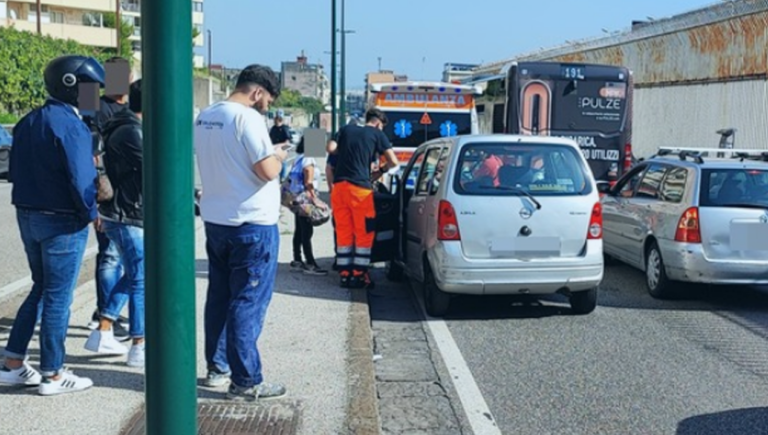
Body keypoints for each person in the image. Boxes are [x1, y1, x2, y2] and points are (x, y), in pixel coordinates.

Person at [0, 55, 105, 396]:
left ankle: (13, 362)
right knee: (59, 297)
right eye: (92, 88)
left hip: (28, 213)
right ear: (72, 85)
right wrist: (92, 213)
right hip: (62, 219)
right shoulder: (72, 125)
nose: (95, 96)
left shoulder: (29, 120)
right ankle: (54, 374)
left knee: (40, 288)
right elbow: (81, 179)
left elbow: (14, 170)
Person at [194, 64, 288, 401]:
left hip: (218, 220)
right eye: (267, 100)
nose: (266, 106)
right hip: (252, 223)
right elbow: (265, 171)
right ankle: (246, 380)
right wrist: (278, 156)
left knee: (219, 297)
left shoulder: (205, 116)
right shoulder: (247, 118)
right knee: (247, 301)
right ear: (258, 92)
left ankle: (217, 368)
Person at [84, 79, 146, 367]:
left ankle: (104, 327)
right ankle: (139, 343)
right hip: (127, 214)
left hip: (117, 211)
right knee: (139, 278)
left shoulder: (115, 122)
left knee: (133, 273)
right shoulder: (132, 131)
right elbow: (154, 169)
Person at [86, 56, 132, 341]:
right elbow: (90, 155)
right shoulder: (92, 104)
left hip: (129, 194)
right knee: (111, 256)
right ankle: (106, 313)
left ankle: (105, 311)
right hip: (108, 195)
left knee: (119, 257)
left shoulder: (131, 107)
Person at [329, 108, 399, 289]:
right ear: (378, 123)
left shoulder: (346, 129)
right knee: (363, 232)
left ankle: (344, 275)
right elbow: (394, 162)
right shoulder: (377, 134)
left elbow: (330, 148)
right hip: (360, 190)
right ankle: (359, 276)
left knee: (344, 232)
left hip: (339, 188)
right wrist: (381, 171)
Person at [287, 138, 328, 276]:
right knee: (307, 231)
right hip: (305, 199)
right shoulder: (309, 160)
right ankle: (310, 263)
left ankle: (297, 259)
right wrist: (315, 200)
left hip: (295, 197)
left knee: (299, 229)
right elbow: (308, 182)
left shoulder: (299, 158)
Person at [269, 115, 292, 181]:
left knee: (283, 160)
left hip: (284, 145)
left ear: (279, 121)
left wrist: (279, 146)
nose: (275, 123)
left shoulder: (284, 128)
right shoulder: (273, 128)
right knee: (275, 160)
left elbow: (287, 141)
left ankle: (283, 176)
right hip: (275, 146)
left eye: (276, 121)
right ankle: (277, 175)